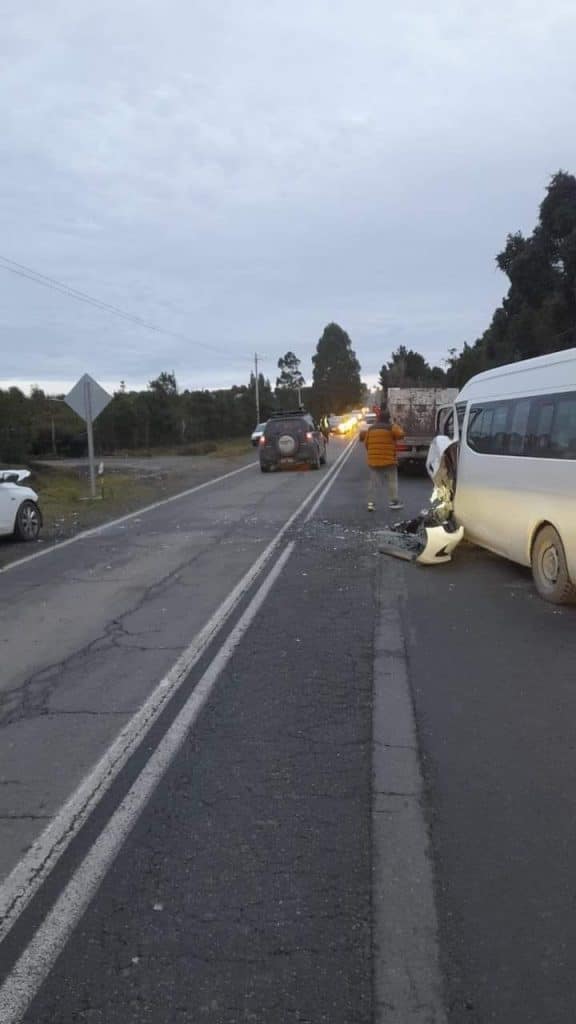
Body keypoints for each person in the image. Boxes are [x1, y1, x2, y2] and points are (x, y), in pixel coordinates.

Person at [364, 407, 404, 511]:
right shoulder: (391, 427)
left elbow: (366, 444)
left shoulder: (371, 428)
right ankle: (393, 502)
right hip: (389, 461)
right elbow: (401, 435)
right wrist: (394, 424)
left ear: (378, 418)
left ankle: (371, 504)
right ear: (388, 418)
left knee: (373, 483)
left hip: (374, 461)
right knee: (392, 481)